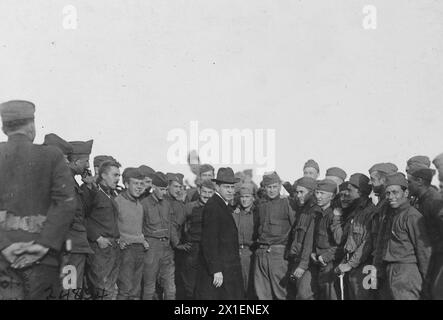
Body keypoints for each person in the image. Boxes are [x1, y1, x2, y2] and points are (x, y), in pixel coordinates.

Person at [0, 100, 76, 300]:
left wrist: (4, 245)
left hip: (3, 258)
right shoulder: (52, 156)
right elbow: (66, 203)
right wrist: (44, 244)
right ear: (32, 126)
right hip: (44, 259)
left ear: (3, 128)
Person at [378, 173, 432, 299]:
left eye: (395, 192)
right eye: (388, 193)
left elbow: (424, 252)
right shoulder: (391, 216)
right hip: (390, 270)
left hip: (407, 272)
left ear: (406, 193)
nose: (391, 197)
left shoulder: (412, 216)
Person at [195, 167, 244, 300]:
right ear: (217, 186)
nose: (230, 190)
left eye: (232, 187)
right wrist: (216, 270)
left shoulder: (222, 205)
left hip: (227, 267)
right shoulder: (213, 206)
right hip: (220, 269)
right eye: (226, 187)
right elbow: (209, 240)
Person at [61, 139, 95, 299]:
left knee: (72, 290)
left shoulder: (72, 182)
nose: (87, 166)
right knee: (70, 290)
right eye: (86, 161)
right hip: (71, 246)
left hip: (75, 245)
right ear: (74, 161)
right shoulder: (65, 181)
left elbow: (84, 211)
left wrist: (87, 186)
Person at [254, 171, 296, 300]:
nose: (271, 190)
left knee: (281, 292)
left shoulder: (287, 203)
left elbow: (295, 228)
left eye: (274, 187)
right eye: (268, 187)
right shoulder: (261, 205)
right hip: (261, 252)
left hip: (279, 253)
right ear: (264, 188)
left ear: (279, 186)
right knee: (262, 293)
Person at [334, 173, 375, 300]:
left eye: (350, 190)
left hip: (364, 267)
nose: (347, 193)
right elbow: (349, 242)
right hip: (352, 266)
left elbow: (368, 242)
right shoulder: (356, 211)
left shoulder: (370, 212)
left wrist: (350, 264)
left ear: (361, 192)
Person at [85, 160, 122, 300]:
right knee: (103, 289)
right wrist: (98, 238)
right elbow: (82, 217)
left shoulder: (111, 195)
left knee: (111, 289)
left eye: (119, 175)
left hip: (113, 248)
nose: (118, 179)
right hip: (100, 249)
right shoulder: (93, 193)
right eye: (115, 175)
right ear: (104, 175)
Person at [141, 172, 179, 300]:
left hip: (167, 248)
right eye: (162, 189)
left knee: (170, 287)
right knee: (149, 287)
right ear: (154, 187)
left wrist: (176, 244)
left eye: (165, 190)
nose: (164, 193)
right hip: (151, 248)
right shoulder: (144, 204)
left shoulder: (167, 204)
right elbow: (139, 226)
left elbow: (171, 226)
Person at [115, 168, 149, 300]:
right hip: (125, 251)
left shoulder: (139, 204)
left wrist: (143, 240)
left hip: (139, 249)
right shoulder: (117, 202)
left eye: (141, 184)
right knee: (125, 290)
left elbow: (138, 228)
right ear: (126, 184)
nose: (139, 187)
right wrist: (119, 240)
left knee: (136, 290)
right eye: (135, 183)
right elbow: (112, 227)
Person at [180, 180, 216, 299]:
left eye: (210, 192)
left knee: (207, 284)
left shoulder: (217, 208)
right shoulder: (189, 207)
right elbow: (176, 225)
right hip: (193, 248)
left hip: (210, 250)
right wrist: (178, 243)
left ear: (214, 193)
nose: (206, 195)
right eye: (204, 192)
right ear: (199, 191)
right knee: (190, 284)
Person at [288, 177, 321, 300]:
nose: (298, 195)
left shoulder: (314, 212)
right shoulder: (303, 211)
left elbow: (309, 242)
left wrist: (302, 265)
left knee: (304, 295)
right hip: (298, 259)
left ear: (312, 192)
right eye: (297, 192)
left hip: (308, 264)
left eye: (302, 192)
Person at [311, 179, 342, 300]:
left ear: (332, 196)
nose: (318, 196)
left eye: (322, 193)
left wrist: (325, 257)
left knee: (331, 296)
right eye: (317, 193)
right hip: (320, 263)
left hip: (330, 264)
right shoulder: (319, 214)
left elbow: (340, 244)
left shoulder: (334, 215)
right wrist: (314, 252)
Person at [232, 182, 259, 299]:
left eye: (247, 197)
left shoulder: (257, 214)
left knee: (251, 286)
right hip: (235, 253)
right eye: (242, 197)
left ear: (253, 198)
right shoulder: (234, 214)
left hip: (250, 253)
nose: (244, 200)